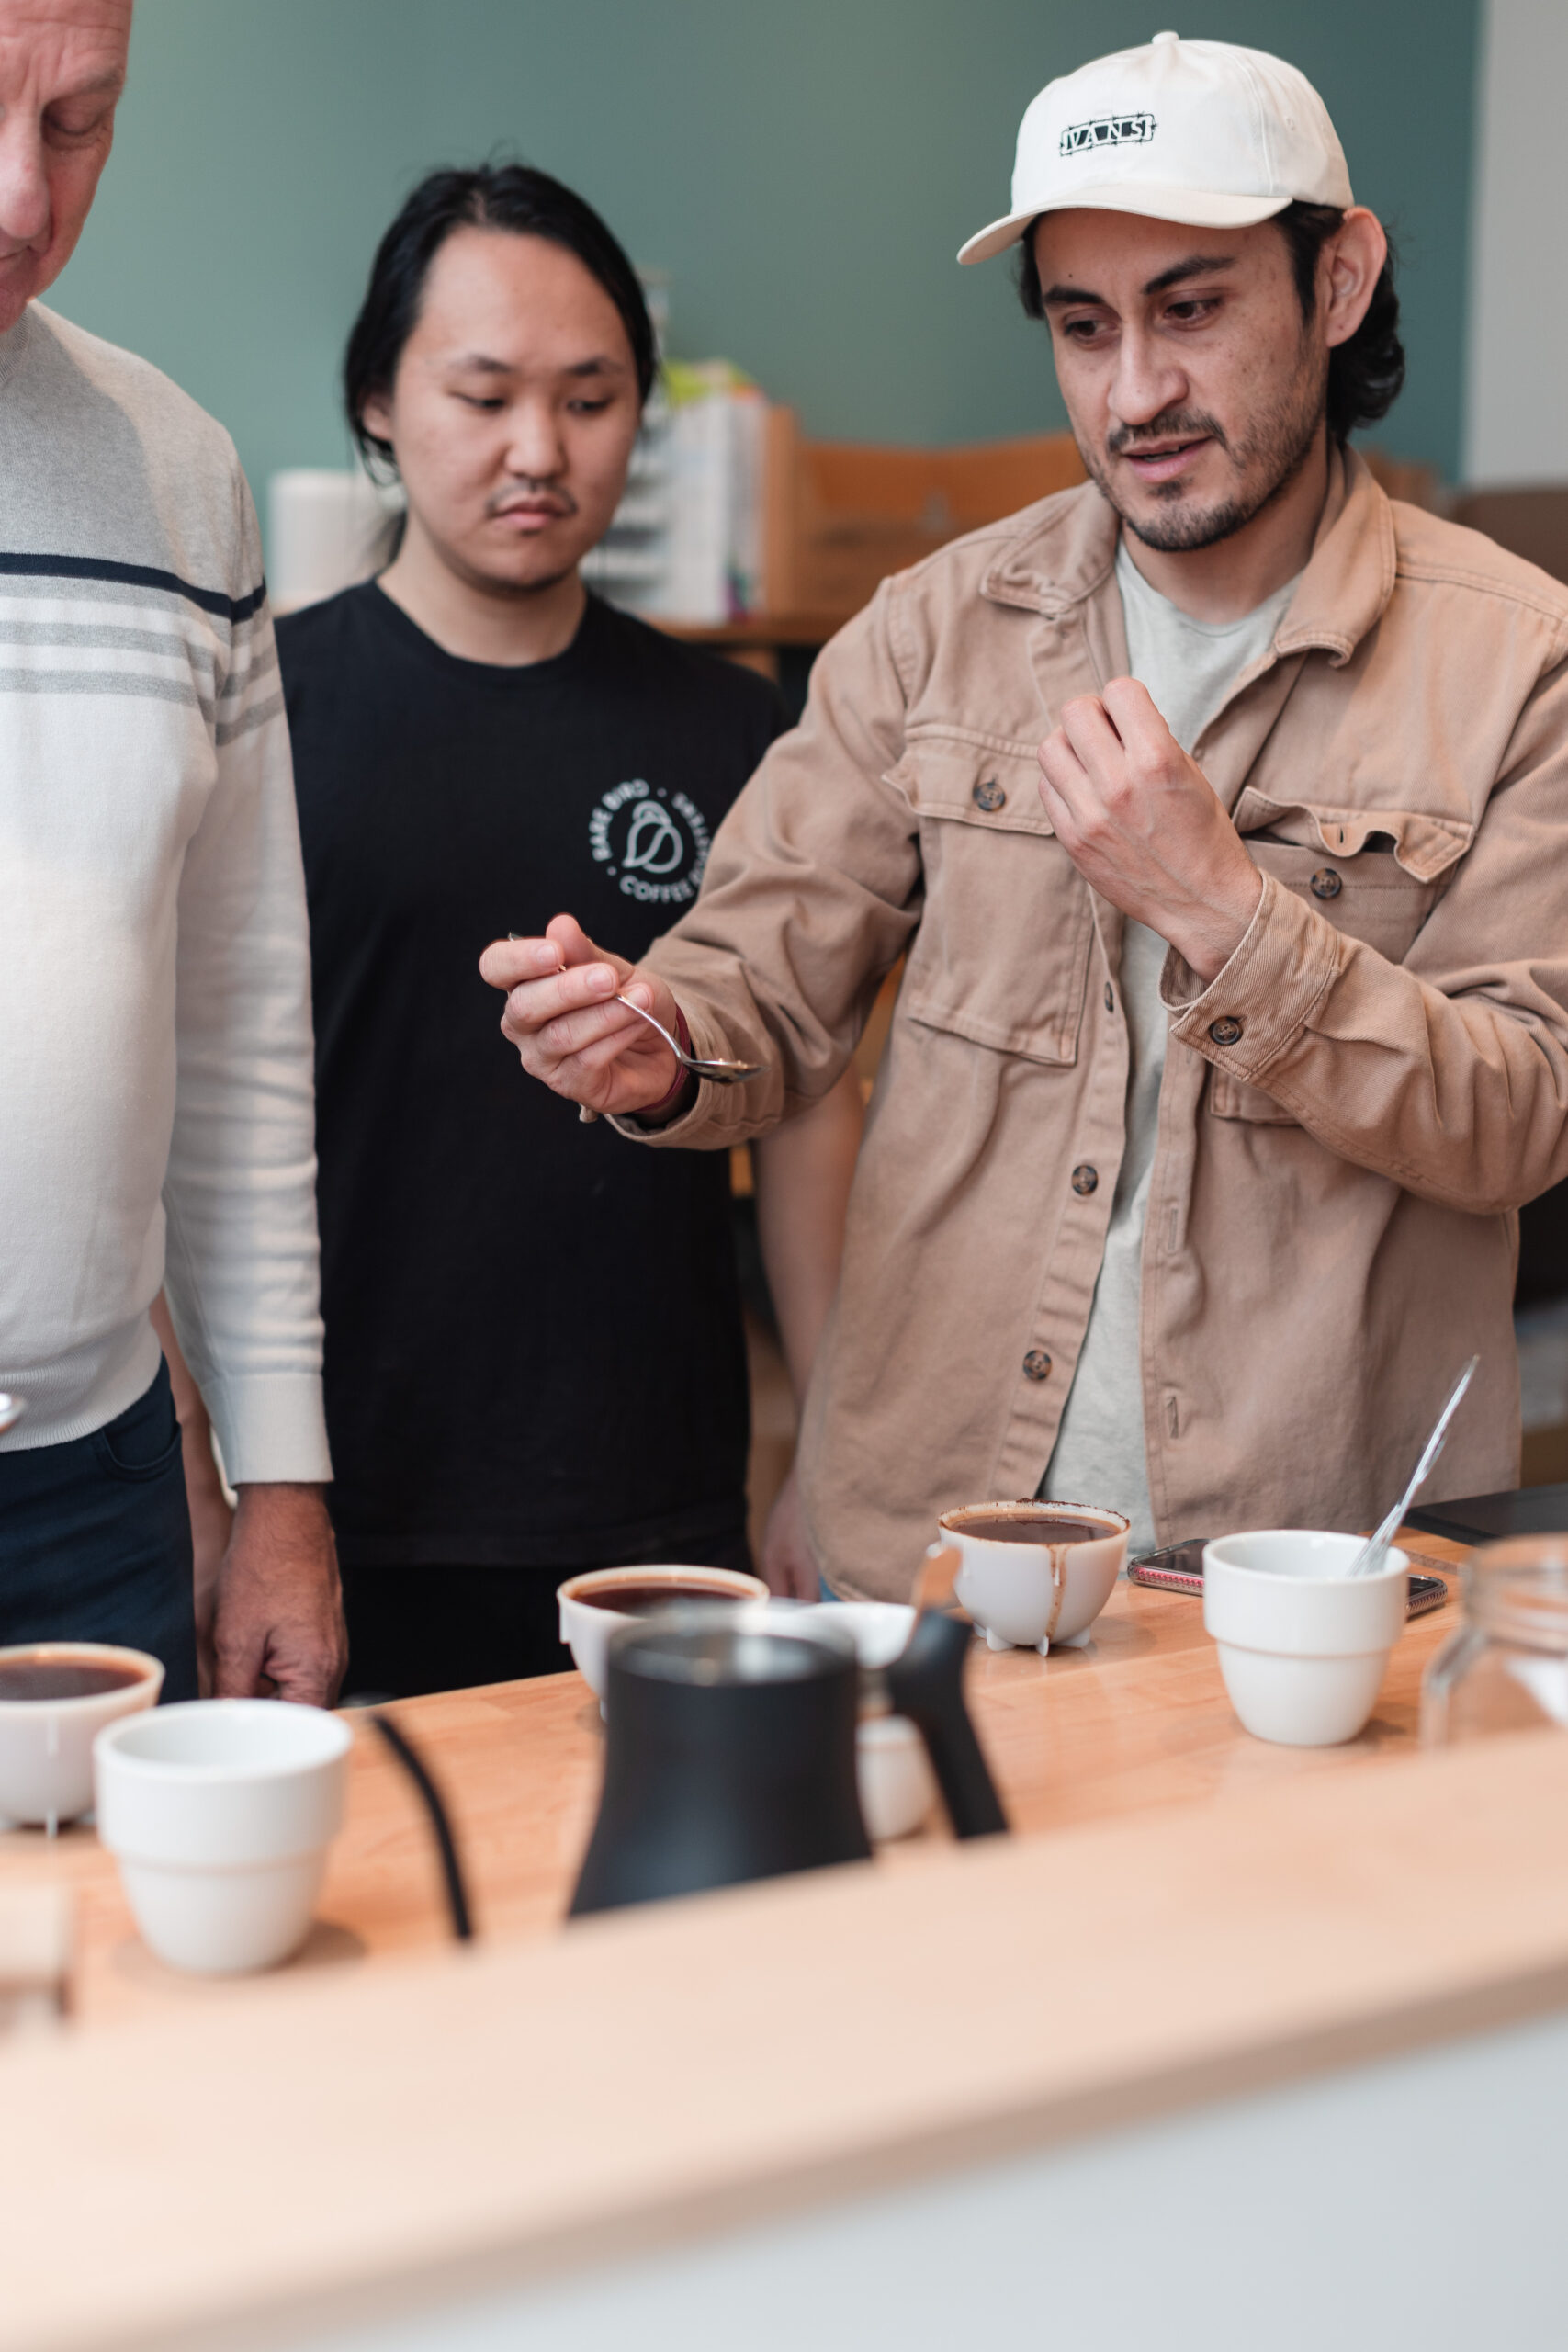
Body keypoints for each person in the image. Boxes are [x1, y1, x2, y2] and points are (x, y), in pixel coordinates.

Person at [485, 34, 1568, 1601]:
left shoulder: (1519, 662)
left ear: (1339, 283)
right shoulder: (930, 633)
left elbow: (1526, 1117)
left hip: (1296, 1579)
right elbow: (755, 989)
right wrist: (660, 1043)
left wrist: (1226, 916)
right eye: (1084, 326)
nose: (1136, 392)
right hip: (930, 1551)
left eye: (1192, 309)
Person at [263, 164, 860, 1697]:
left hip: (655, 1498)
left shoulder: (737, 728)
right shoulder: (267, 709)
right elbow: (199, 1130)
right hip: (340, 1507)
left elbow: (803, 1116)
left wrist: (832, 1452)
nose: (540, 451)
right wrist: (232, 1486)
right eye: (483, 395)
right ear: (378, 402)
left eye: (592, 400)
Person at [0, 0, 343, 1699]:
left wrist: (277, 1485)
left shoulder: (179, 480)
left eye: (80, 122)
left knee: (129, 1963)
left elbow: (238, 1036)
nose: (23, 200)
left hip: (90, 1496)